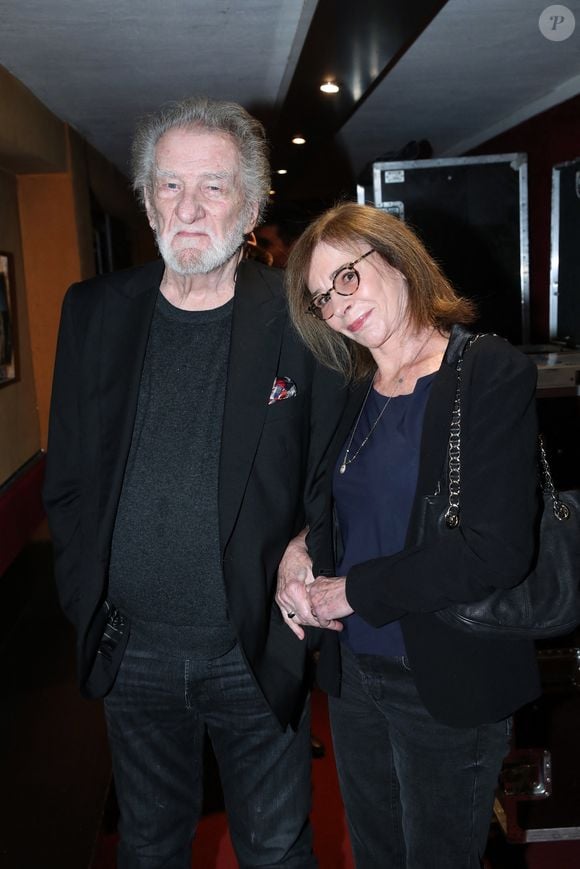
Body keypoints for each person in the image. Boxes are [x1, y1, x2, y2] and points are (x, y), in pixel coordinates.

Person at [43, 97, 351, 868]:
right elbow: (71, 479)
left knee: (277, 847)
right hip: (132, 650)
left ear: (249, 204)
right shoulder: (93, 313)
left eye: (212, 186)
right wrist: (89, 602)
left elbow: (340, 464)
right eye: (169, 186)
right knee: (148, 844)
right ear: (146, 199)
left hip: (251, 647)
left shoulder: (300, 321)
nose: (188, 207)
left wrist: (310, 540)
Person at [276, 202, 541, 868]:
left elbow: (495, 549)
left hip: (446, 675)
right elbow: (343, 503)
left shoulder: (485, 371)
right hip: (356, 675)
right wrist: (298, 548)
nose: (336, 307)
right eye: (320, 298)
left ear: (395, 259)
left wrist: (350, 593)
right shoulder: (352, 388)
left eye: (347, 278)